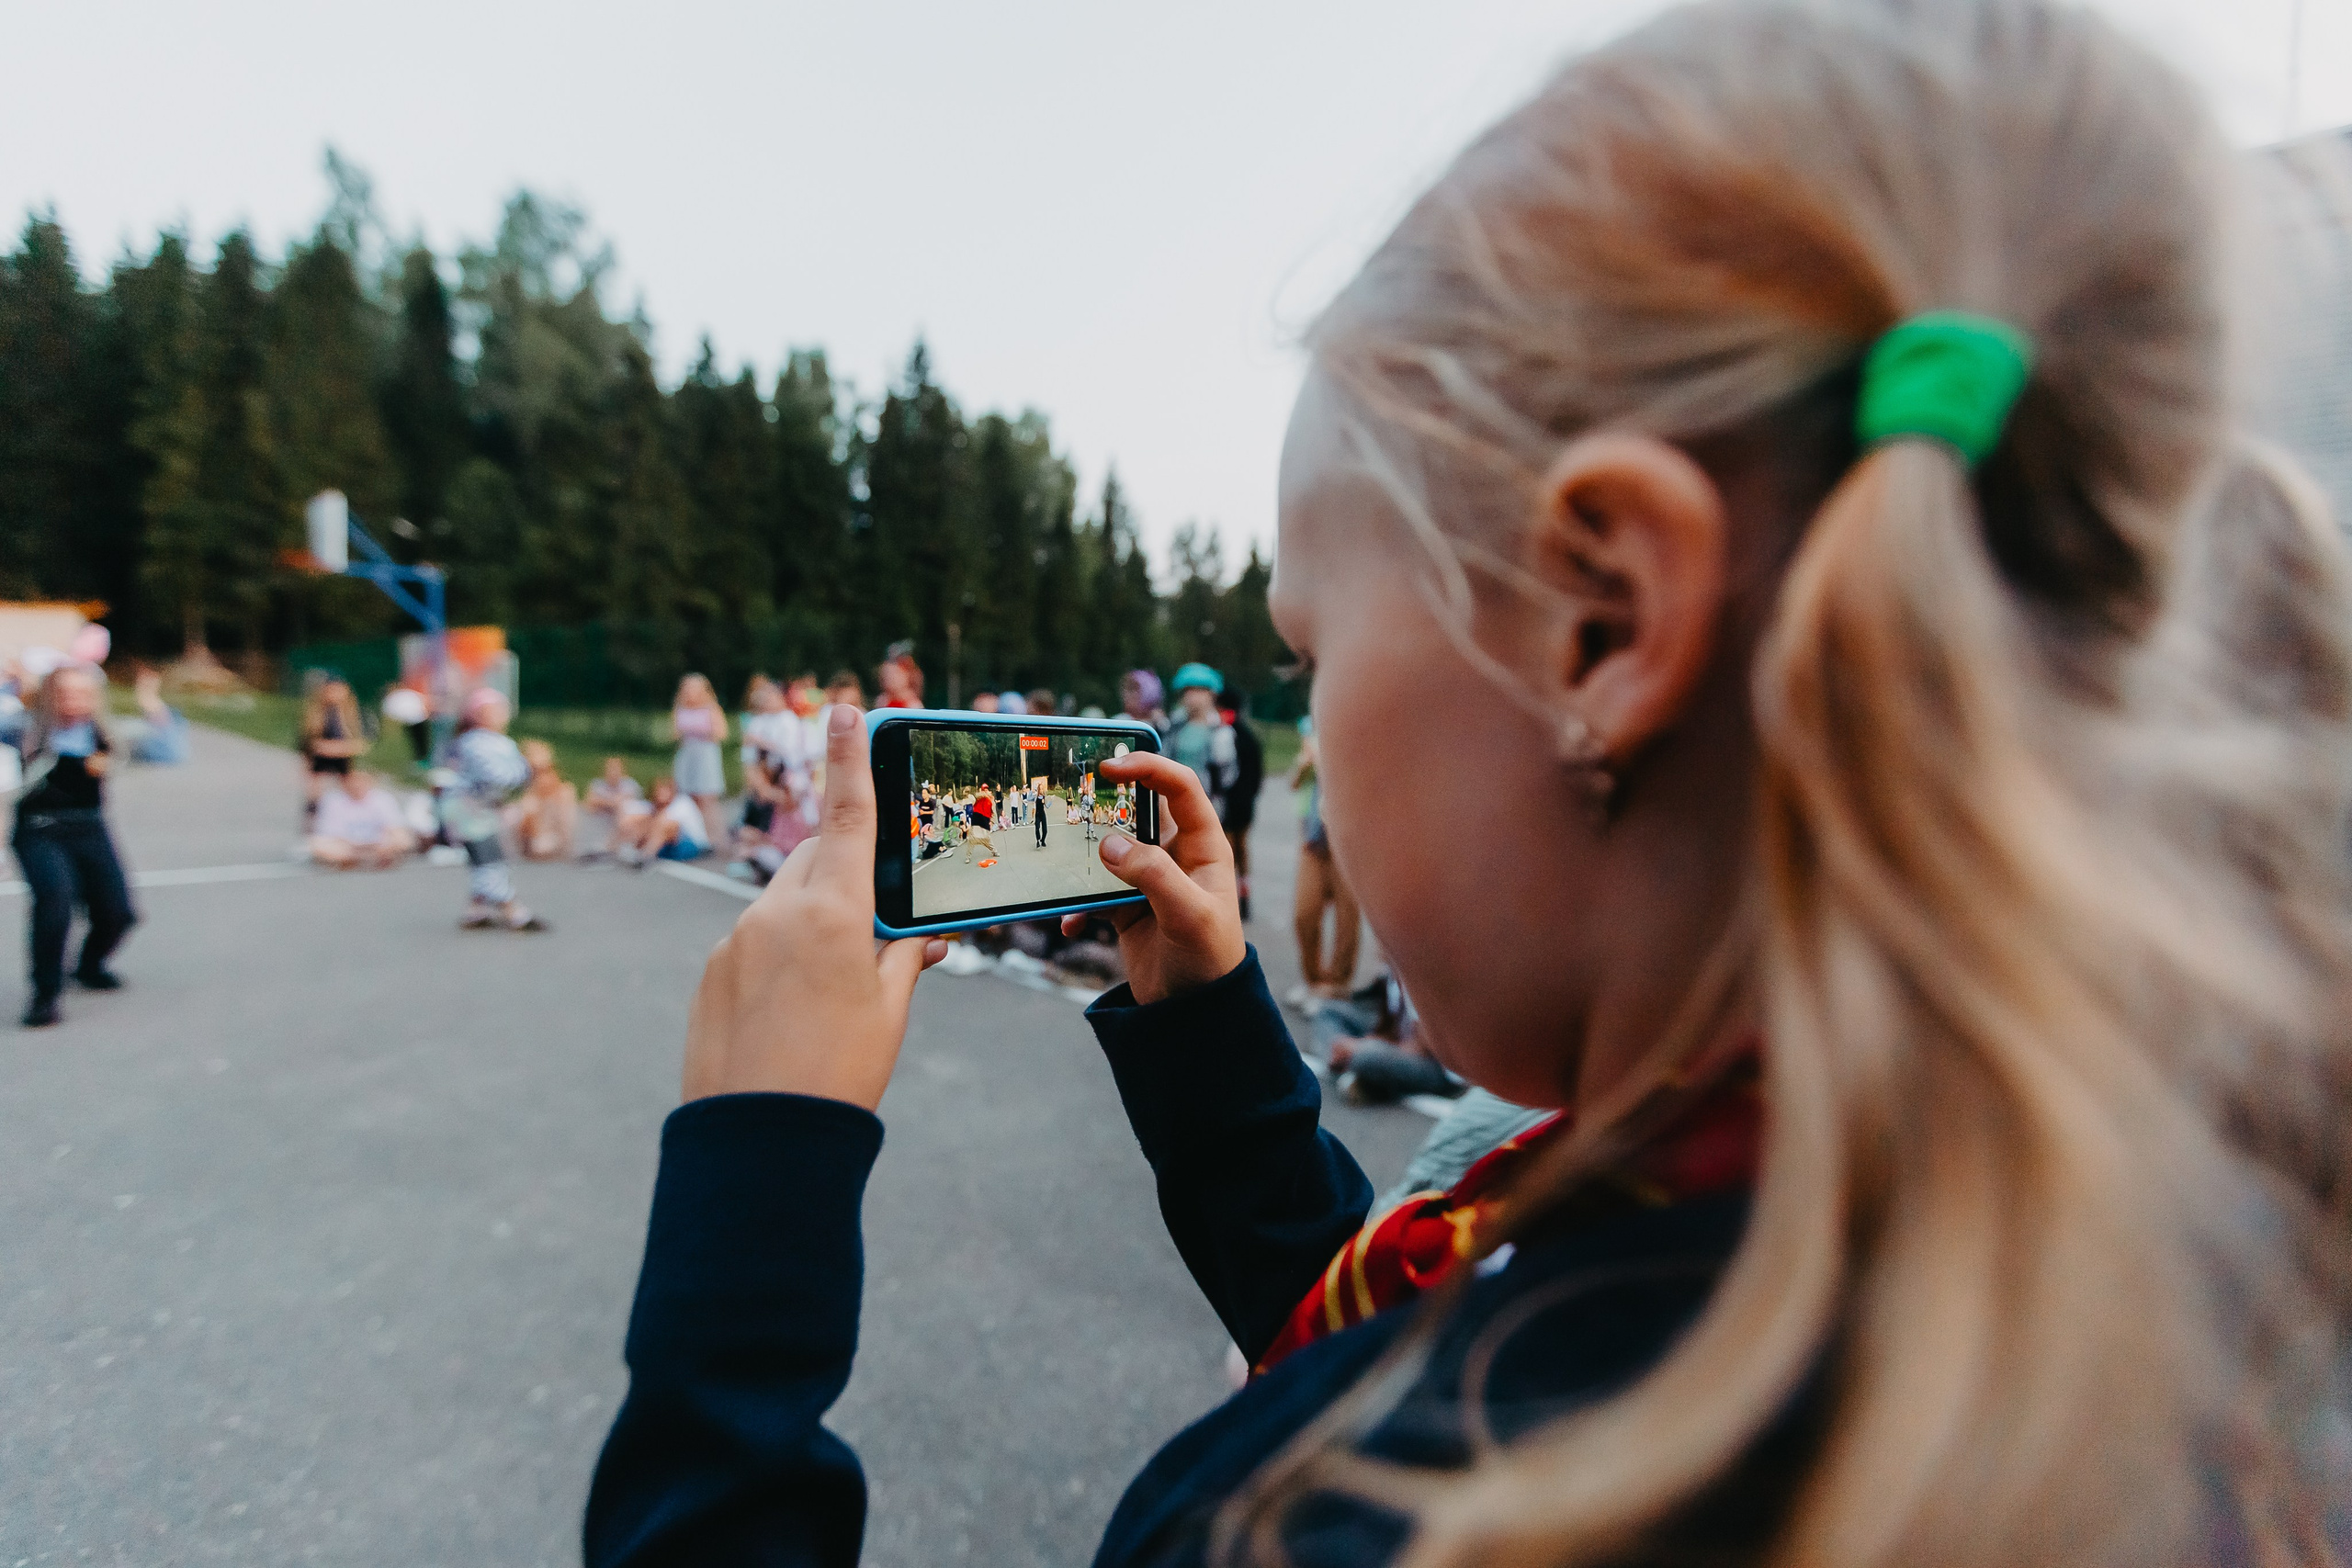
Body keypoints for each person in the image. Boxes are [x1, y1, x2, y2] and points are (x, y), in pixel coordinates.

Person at [588, 7, 2352, 1562]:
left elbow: (1407, 1401)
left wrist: (763, 1178)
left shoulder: (1398, 1519)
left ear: (1607, 622)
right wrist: (1211, 1034)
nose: (1313, 711)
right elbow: (1436, 1324)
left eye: (1317, 643)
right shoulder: (1967, 1226)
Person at [9, 663, 136, 1029]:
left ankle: (89, 965)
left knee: (118, 912)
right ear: (50, 696)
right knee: (55, 901)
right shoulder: (26, 731)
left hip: (89, 827)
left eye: (83, 693)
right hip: (39, 830)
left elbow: (136, 745)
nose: (75, 700)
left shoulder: (100, 731)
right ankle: (45, 993)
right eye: (66, 693)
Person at [443, 689, 548, 932]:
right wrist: (530, 766)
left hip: (483, 810)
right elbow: (496, 777)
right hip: (466, 810)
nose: (502, 714)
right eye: (495, 710)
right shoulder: (474, 743)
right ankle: (514, 910)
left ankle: (476, 910)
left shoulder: (497, 742)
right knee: (489, 859)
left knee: (486, 858)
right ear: (478, 715)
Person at [1165, 663, 1252, 916]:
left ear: (1212, 694)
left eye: (1201, 690)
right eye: (1189, 690)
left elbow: (1227, 775)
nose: (1194, 696)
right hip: (1172, 806)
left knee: (1207, 860)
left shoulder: (1221, 732)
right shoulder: (1173, 727)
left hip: (1208, 807)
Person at [1285, 718, 1359, 1010]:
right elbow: (1293, 784)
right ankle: (1314, 981)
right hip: (1314, 841)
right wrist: (1306, 763)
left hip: (1350, 845)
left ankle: (1337, 986)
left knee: (1346, 920)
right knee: (1304, 914)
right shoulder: (1311, 754)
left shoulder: (1356, 741)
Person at [309, 766, 416, 870]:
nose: (357, 785)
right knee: (319, 845)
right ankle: (358, 860)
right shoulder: (333, 801)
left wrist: (382, 842)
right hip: (347, 845)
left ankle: (367, 859)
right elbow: (329, 832)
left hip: (377, 843)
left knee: (402, 838)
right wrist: (354, 845)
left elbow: (394, 826)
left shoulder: (382, 799)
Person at [298, 673, 368, 829]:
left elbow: (360, 742)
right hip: (320, 759)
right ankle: (312, 824)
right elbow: (308, 742)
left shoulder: (351, 715)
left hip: (343, 759)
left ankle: (349, 821)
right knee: (314, 792)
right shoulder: (316, 714)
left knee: (350, 790)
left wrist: (339, 748)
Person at [669, 674, 729, 846]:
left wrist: (700, 730)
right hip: (688, 754)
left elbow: (721, 733)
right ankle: (697, 837)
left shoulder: (711, 708)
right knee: (688, 797)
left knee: (707, 798)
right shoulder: (680, 708)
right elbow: (675, 733)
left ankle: (717, 837)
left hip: (705, 755)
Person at [614, 776, 712, 866]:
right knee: (639, 821)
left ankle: (646, 856)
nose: (661, 794)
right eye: (658, 791)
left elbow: (666, 823)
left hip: (690, 844)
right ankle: (611, 850)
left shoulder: (682, 803)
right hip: (665, 847)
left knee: (665, 825)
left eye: (665, 791)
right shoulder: (653, 806)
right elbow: (629, 813)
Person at [514, 739, 579, 862]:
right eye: (535, 771)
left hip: (553, 836)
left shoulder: (564, 791)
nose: (540, 775)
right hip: (535, 836)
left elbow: (565, 824)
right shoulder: (529, 793)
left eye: (544, 770)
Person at [582, 756, 649, 858]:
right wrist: (611, 803)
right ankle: (611, 845)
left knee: (625, 809)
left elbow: (633, 805)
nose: (613, 772)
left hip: (625, 822)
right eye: (610, 769)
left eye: (616, 769)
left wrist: (608, 803)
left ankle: (615, 845)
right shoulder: (597, 785)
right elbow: (589, 804)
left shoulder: (630, 785)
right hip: (604, 824)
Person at [1120, 669, 1172, 737]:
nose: (1126, 694)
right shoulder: (1120, 721)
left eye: (1133, 689)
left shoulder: (1162, 725)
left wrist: (1158, 725)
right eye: (1126, 689)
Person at [876, 643, 923, 709]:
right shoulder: (882, 701)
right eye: (886, 677)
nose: (889, 680)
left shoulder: (912, 704)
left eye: (895, 675)